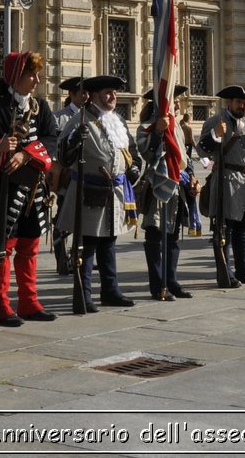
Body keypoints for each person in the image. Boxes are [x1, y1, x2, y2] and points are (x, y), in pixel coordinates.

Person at [0, 51, 58, 326]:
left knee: (30, 246)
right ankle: (0, 304)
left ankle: (29, 302)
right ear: (15, 77)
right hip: (6, 189)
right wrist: (0, 147)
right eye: (31, 74)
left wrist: (27, 154)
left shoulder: (41, 107)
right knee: (3, 248)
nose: (37, 80)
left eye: (37, 74)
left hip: (34, 189)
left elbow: (51, 139)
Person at [57, 74, 136, 310]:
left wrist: (134, 168)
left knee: (109, 243)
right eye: (107, 93)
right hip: (89, 190)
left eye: (114, 92)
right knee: (88, 245)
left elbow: (129, 150)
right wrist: (74, 141)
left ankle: (111, 291)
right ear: (93, 96)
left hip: (114, 192)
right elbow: (63, 155)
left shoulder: (117, 120)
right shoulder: (81, 119)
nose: (113, 97)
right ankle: (84, 295)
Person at [196, 84, 245, 285]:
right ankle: (225, 273)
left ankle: (244, 269)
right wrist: (216, 134)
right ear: (229, 103)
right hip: (226, 180)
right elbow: (202, 150)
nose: (243, 106)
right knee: (224, 229)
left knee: (243, 228)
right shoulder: (215, 121)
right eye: (239, 102)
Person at [135, 89, 194, 300]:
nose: (178, 106)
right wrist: (158, 132)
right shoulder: (145, 127)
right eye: (175, 101)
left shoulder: (176, 126)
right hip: (156, 184)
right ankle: (157, 284)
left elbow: (184, 156)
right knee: (155, 236)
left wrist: (192, 177)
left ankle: (172, 280)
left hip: (177, 187)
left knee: (173, 236)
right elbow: (146, 152)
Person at [50, 76, 87, 274]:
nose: (86, 96)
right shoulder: (59, 118)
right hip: (67, 177)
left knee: (85, 220)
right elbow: (53, 147)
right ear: (72, 95)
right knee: (63, 218)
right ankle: (61, 258)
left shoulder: (92, 116)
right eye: (82, 92)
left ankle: (79, 257)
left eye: (87, 92)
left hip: (87, 177)